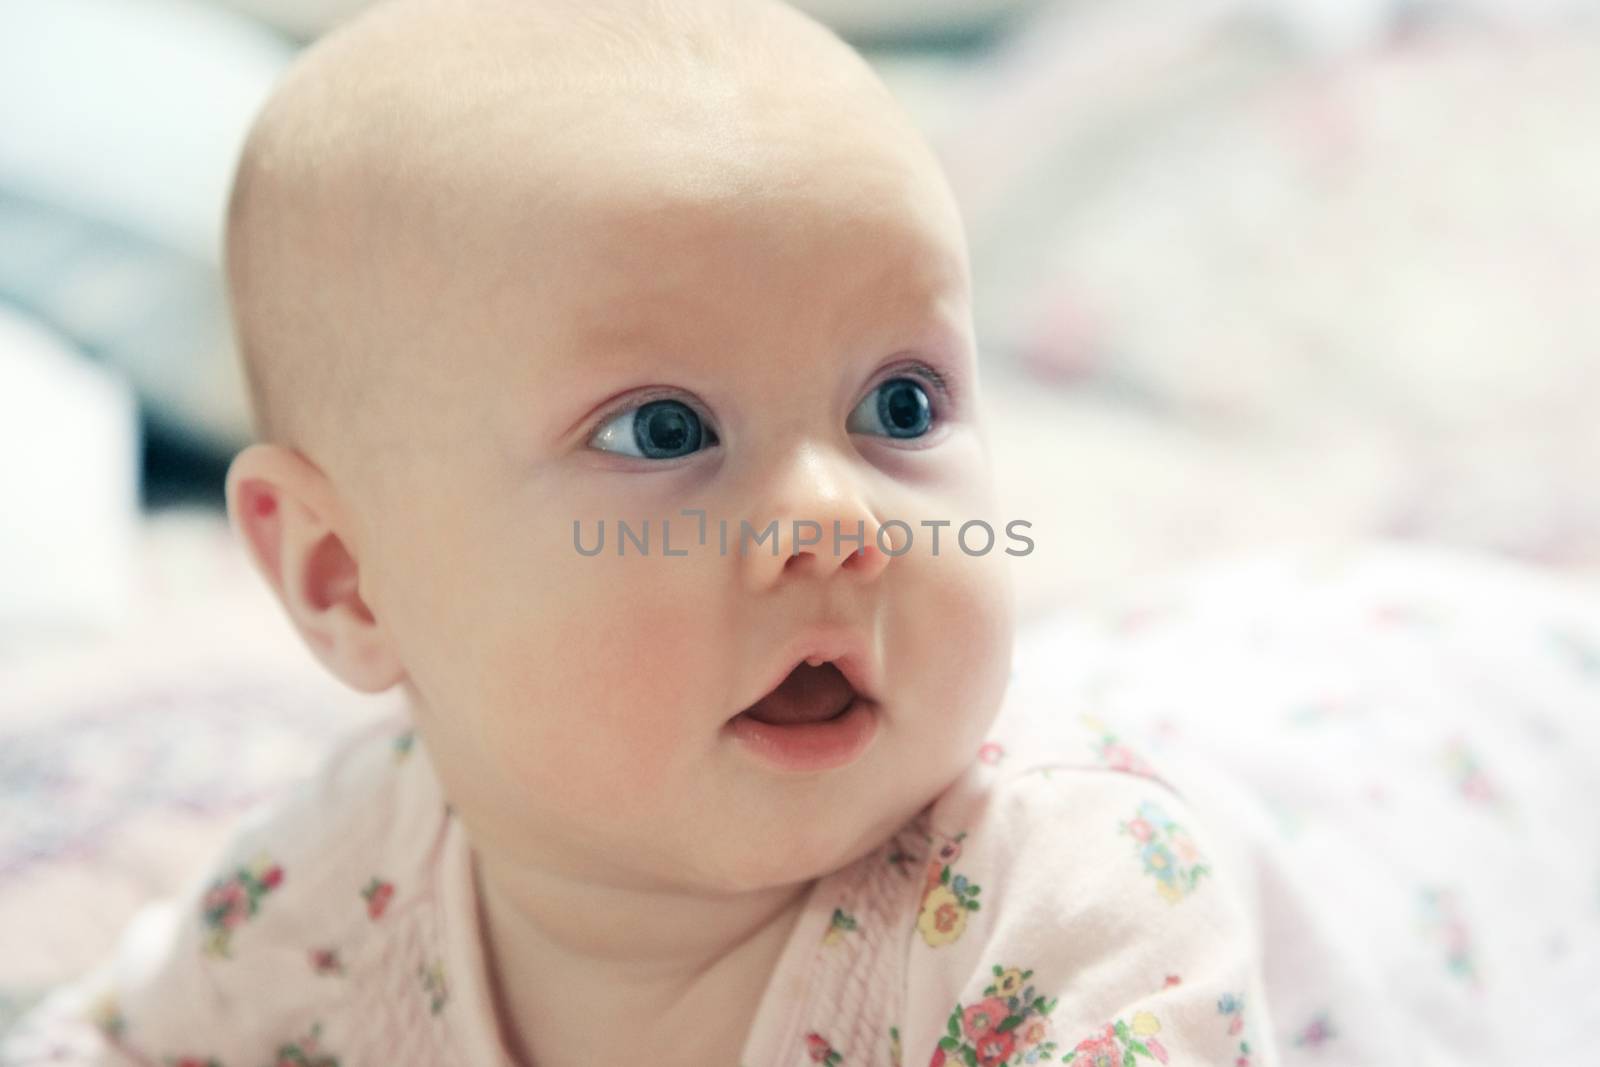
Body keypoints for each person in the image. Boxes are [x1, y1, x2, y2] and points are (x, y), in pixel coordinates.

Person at [23, 0, 1597, 1064]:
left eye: (901, 407)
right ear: (344, 578)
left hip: (1468, 742)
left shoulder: (1063, 907)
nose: (835, 521)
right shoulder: (366, 860)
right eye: (663, 430)